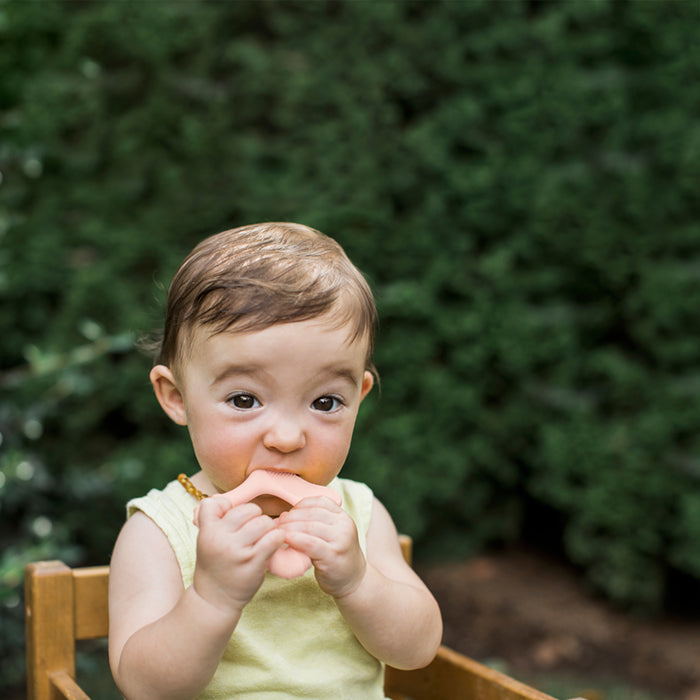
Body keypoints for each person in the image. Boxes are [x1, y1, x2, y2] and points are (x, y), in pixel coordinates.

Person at [108, 222, 443, 699]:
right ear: (177, 396)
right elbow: (145, 687)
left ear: (359, 397)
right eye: (244, 399)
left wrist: (357, 581)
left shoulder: (358, 514)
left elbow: (418, 648)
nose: (287, 437)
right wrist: (212, 597)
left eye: (325, 402)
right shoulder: (160, 531)